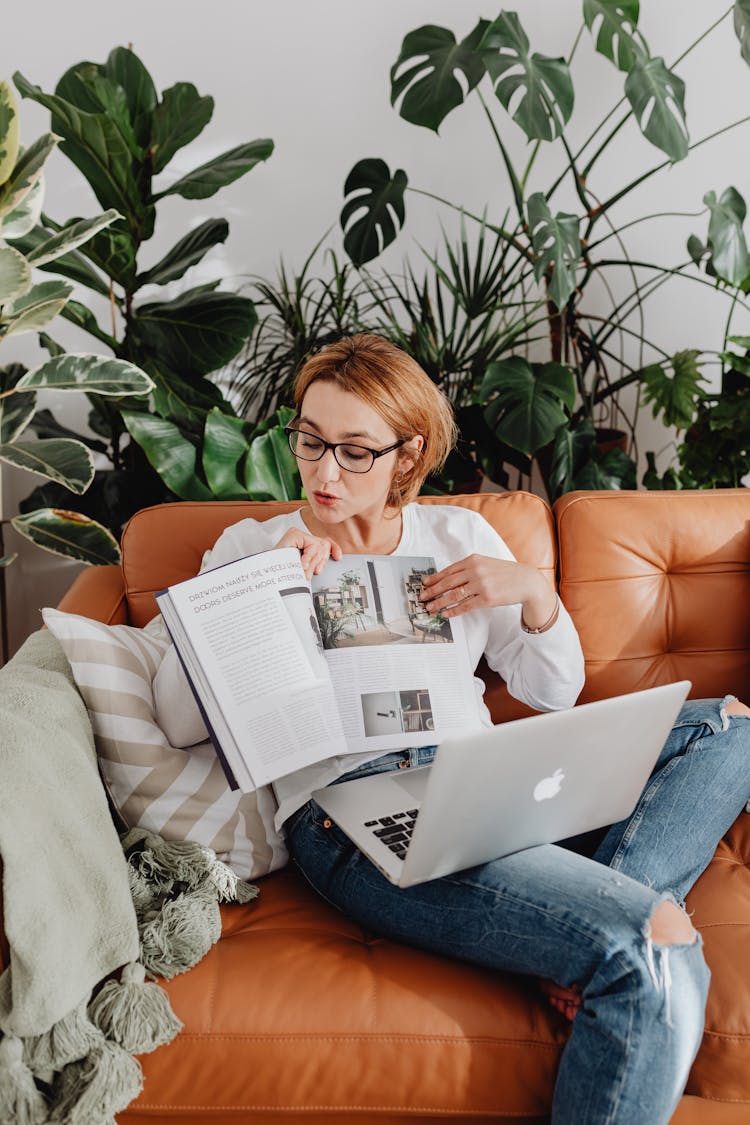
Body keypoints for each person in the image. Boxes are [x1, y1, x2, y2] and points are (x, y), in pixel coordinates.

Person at [153, 333, 750, 1125]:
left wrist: (534, 595)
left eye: (355, 451)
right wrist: (255, 598)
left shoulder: (459, 538)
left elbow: (551, 691)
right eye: (310, 440)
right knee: (655, 947)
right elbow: (177, 717)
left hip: (488, 776)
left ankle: (606, 909)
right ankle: (616, 925)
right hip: (349, 811)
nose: (324, 471)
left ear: (409, 452)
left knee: (728, 725)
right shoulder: (251, 546)